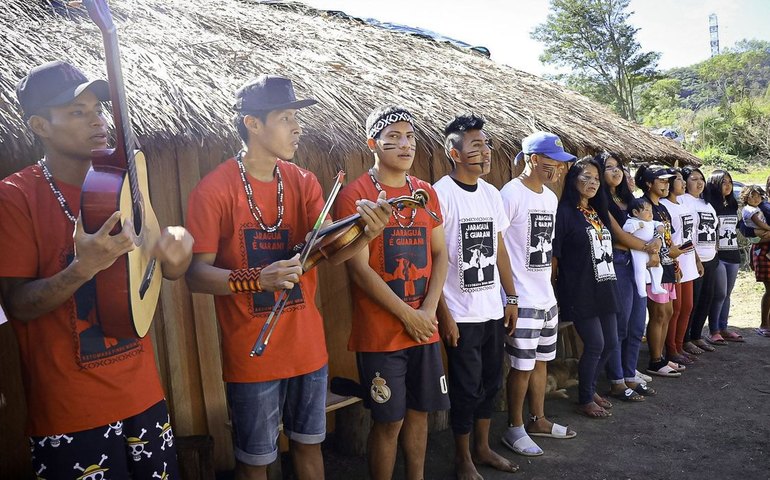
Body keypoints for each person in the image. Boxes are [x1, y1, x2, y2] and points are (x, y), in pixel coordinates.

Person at [184, 75, 391, 480]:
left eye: (297, 118)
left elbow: (331, 253)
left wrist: (367, 232)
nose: (297, 127)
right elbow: (195, 275)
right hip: (252, 355)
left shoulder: (303, 181)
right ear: (253, 123)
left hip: (308, 349)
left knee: (310, 448)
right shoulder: (213, 189)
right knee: (255, 462)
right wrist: (255, 279)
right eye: (285, 118)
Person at [0, 61, 194, 478]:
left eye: (98, 109)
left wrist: (177, 254)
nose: (97, 120)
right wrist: (82, 268)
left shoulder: (123, 183)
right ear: (40, 125)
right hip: (71, 414)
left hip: (145, 396)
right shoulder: (14, 196)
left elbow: (161, 269)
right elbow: (18, 304)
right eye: (77, 112)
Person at [333, 105, 449, 480]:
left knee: (420, 414)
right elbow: (358, 268)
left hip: (424, 327)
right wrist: (408, 315)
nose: (405, 145)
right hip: (381, 334)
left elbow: (441, 253)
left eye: (410, 137)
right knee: (388, 421)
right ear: (373, 144)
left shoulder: (426, 192)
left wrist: (428, 311)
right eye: (393, 137)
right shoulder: (356, 195)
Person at [432, 113, 519, 479]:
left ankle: (483, 448)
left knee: (491, 382)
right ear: (454, 153)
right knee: (466, 388)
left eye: (486, 145)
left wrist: (510, 298)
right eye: (476, 146)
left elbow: (500, 250)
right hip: (460, 314)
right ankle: (462, 457)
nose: (485, 152)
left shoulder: (491, 194)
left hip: (491, 309)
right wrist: (444, 316)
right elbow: (433, 259)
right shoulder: (440, 194)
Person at [499, 131, 578, 452]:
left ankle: (538, 419)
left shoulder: (549, 197)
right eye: (552, 162)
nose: (558, 169)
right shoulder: (510, 194)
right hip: (521, 298)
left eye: (561, 164)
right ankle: (514, 428)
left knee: (542, 361)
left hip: (546, 297)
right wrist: (510, 296)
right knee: (521, 366)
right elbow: (498, 247)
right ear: (533, 159)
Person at [554, 156, 628, 418]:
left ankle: (590, 388)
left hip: (605, 285)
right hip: (580, 289)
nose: (593, 182)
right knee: (595, 343)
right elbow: (555, 256)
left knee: (610, 343)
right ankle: (585, 398)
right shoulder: (564, 213)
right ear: (573, 179)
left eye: (596, 178)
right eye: (586, 177)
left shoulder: (597, 211)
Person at [596, 153, 657, 391]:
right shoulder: (600, 200)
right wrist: (649, 247)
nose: (616, 171)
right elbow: (619, 236)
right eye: (609, 167)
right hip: (618, 263)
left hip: (638, 263)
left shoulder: (628, 199)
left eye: (618, 167)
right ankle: (617, 379)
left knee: (637, 324)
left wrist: (656, 244)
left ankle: (630, 373)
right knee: (620, 325)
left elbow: (653, 225)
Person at [634, 165, 689, 377]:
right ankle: (655, 361)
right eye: (662, 181)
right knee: (658, 313)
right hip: (652, 269)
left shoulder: (662, 208)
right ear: (649, 184)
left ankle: (662, 357)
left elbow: (668, 238)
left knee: (667, 312)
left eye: (667, 181)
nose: (666, 184)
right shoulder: (642, 206)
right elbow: (640, 239)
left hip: (666, 266)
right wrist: (666, 253)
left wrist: (675, 262)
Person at [660, 169, 701, 364]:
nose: (683, 182)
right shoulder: (663, 206)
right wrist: (675, 263)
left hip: (689, 261)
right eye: (678, 179)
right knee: (675, 309)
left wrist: (697, 260)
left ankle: (680, 345)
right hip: (675, 263)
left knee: (687, 307)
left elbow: (690, 235)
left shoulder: (683, 203)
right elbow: (668, 239)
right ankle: (671, 350)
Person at [678, 167, 721, 351]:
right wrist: (695, 258)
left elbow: (715, 227)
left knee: (707, 298)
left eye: (701, 178)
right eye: (694, 178)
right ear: (685, 182)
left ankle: (696, 335)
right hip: (693, 259)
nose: (699, 182)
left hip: (711, 258)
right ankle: (685, 338)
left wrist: (716, 248)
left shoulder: (707, 203)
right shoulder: (683, 201)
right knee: (692, 302)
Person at [705, 170, 745, 343]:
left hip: (733, 254)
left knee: (727, 294)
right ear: (714, 184)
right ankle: (713, 330)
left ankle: (724, 328)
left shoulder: (733, 204)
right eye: (723, 182)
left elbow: (740, 227)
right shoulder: (708, 205)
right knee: (719, 293)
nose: (728, 185)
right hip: (717, 255)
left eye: (730, 181)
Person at [623, 197, 666, 296]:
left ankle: (656, 286)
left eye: (651, 210)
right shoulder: (632, 221)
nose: (650, 213)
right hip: (638, 251)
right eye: (646, 210)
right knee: (640, 270)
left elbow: (658, 224)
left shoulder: (651, 222)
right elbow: (625, 229)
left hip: (651, 250)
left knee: (658, 268)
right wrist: (637, 226)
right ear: (635, 212)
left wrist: (660, 227)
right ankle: (641, 290)